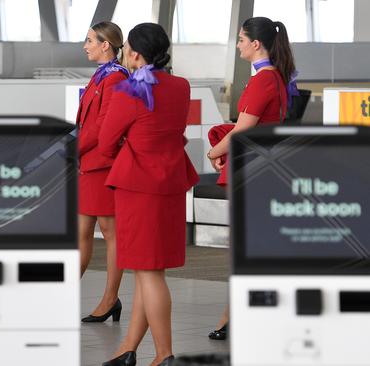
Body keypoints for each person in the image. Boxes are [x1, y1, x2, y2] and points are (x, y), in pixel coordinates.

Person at [98, 23, 198, 366]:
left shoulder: (128, 91)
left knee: (149, 272)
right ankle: (128, 349)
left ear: (135, 53)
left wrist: (127, 150)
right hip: (170, 183)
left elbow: (106, 142)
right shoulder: (181, 86)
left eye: (126, 47)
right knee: (150, 270)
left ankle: (164, 354)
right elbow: (175, 129)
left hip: (138, 187)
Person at [206, 17, 297, 341]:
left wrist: (214, 150)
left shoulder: (263, 81)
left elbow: (243, 129)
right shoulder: (274, 79)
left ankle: (237, 318)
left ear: (256, 44)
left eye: (242, 39)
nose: (239, 44)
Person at [77, 21, 129, 323]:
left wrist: (72, 149)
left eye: (89, 41)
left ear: (105, 45)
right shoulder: (101, 76)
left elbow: (103, 126)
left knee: (110, 233)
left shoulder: (115, 78)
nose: (85, 46)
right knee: (81, 233)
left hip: (103, 165)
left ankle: (110, 299)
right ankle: (58, 295)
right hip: (88, 164)